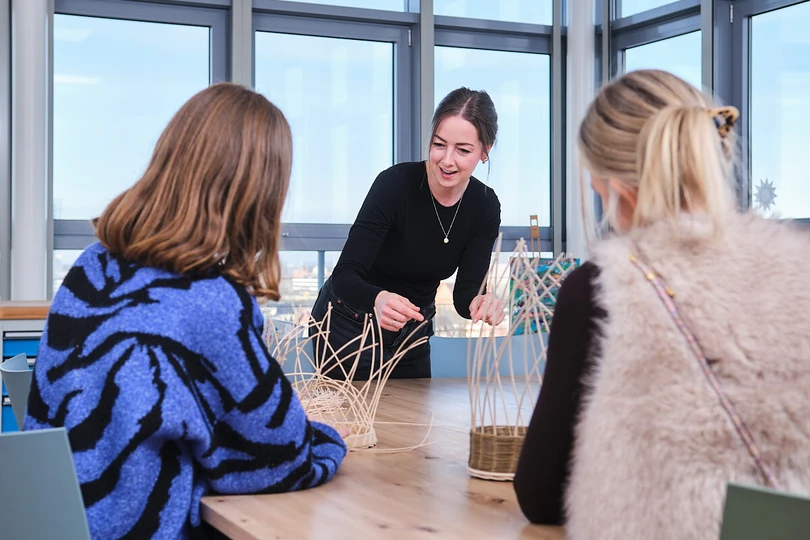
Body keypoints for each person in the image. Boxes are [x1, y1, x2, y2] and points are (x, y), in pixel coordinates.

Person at [24, 83, 348, 539]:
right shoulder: (209, 300)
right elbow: (280, 458)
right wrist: (330, 441)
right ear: (256, 194)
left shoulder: (92, 266)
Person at [513, 69, 810, 538]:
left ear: (617, 189)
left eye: (596, 187)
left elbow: (541, 494)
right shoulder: (797, 265)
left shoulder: (603, 286)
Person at [310, 87, 506, 380]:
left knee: (412, 410)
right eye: (439, 144)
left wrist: (480, 302)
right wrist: (377, 299)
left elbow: (466, 293)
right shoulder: (395, 184)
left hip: (412, 333)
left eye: (463, 150)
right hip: (349, 324)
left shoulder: (485, 205)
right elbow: (344, 276)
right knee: (353, 411)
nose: (447, 160)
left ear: (485, 151)